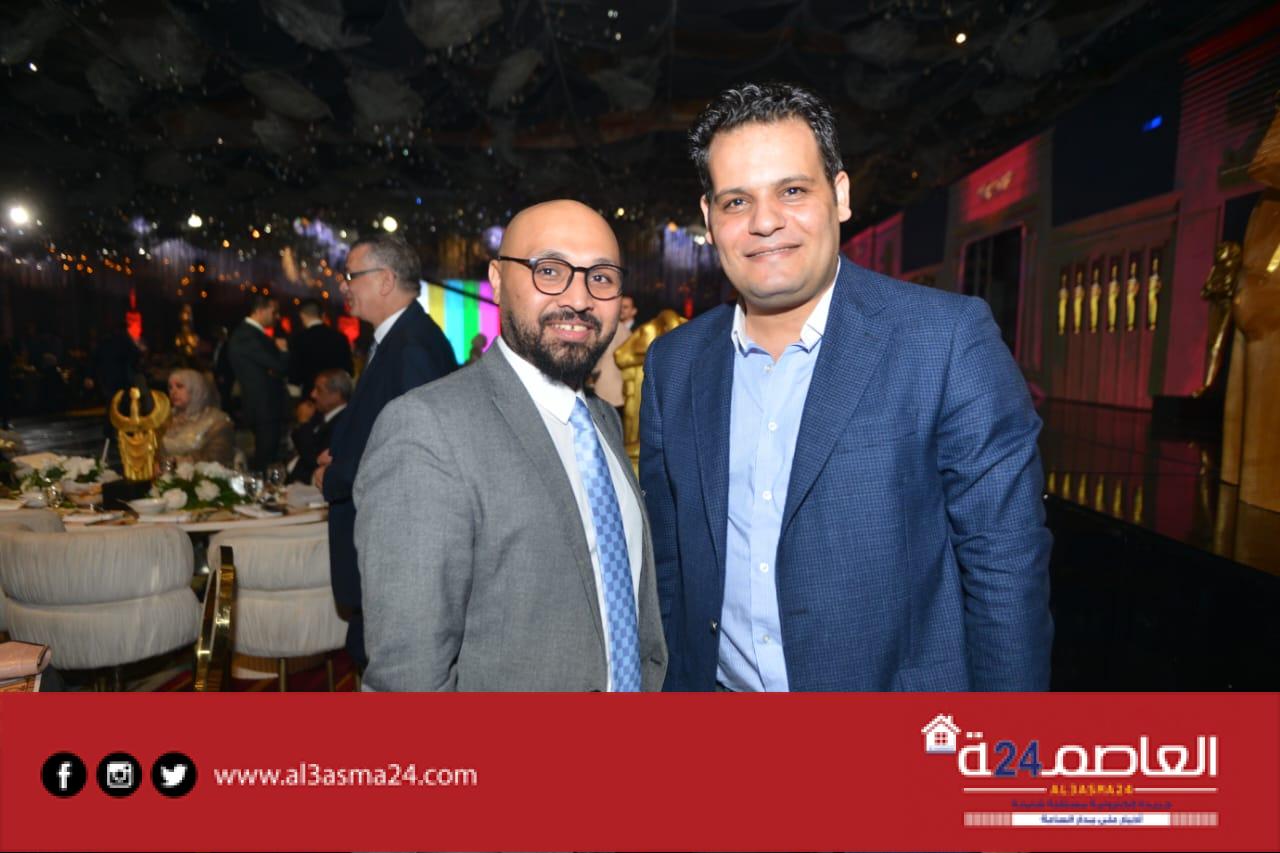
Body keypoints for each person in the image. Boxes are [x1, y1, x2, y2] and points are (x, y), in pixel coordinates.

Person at [640, 82, 1052, 692]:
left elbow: (1005, 571)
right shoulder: (673, 365)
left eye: (792, 191)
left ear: (840, 195)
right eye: (737, 201)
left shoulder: (944, 341)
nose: (765, 222)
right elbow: (670, 566)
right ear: (709, 218)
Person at [354, 199, 666, 691]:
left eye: (601, 277)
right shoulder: (426, 429)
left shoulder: (603, 420)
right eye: (550, 271)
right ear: (497, 281)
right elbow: (408, 678)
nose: (579, 298)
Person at [314, 233, 458, 668]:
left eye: (351, 276)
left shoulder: (412, 346)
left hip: (398, 548)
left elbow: (412, 456)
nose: (345, 286)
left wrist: (335, 475)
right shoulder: (400, 339)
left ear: (385, 280)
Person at [227, 294, 289, 470]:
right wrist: (283, 351)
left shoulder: (251, 335)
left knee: (267, 457)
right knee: (265, 460)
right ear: (260, 311)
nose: (277, 316)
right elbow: (279, 366)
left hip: (263, 406)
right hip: (264, 407)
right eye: (274, 312)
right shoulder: (248, 336)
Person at [160, 368, 236, 467]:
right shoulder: (164, 418)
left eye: (179, 386)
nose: (173, 392)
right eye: (170, 387)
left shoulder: (216, 420)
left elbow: (217, 458)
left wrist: (175, 463)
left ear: (196, 389)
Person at [289, 368, 350, 485]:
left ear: (336, 394)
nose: (313, 394)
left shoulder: (344, 422)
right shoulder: (320, 415)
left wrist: (304, 423)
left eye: (319, 390)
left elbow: (313, 458)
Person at [288, 299, 353, 400]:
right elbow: (349, 370)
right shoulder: (339, 337)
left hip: (311, 395)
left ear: (302, 315)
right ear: (322, 315)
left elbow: (295, 373)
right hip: (337, 395)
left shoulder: (299, 338)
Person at [591, 293, 637, 415]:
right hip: (616, 391)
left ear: (634, 311)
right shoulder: (619, 328)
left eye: (625, 307)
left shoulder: (637, 331)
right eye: (620, 306)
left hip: (613, 389)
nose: (622, 310)